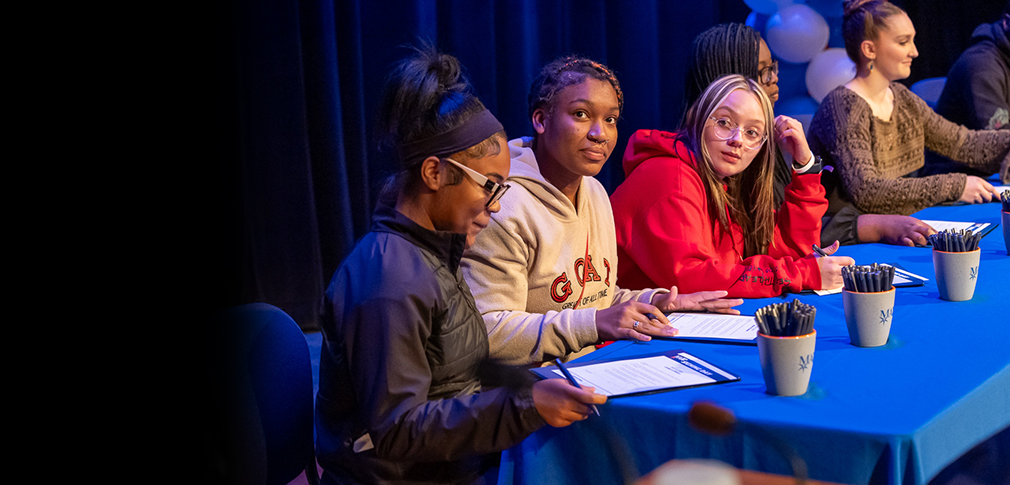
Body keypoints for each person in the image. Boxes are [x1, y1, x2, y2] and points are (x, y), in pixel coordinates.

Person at [315, 46, 603, 485]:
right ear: (434, 174)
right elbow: (397, 429)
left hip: (456, 463)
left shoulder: (434, 254)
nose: (496, 206)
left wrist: (531, 388)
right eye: (490, 187)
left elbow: (460, 372)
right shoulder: (388, 281)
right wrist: (524, 405)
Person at [461, 55, 741, 368]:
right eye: (581, 114)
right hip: (524, 392)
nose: (601, 134)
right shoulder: (504, 206)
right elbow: (488, 332)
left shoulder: (592, 190)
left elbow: (595, 299)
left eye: (611, 119)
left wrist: (659, 301)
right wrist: (593, 324)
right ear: (540, 120)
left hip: (588, 370)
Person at [685, 23, 935, 247]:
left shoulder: (759, 142)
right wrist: (875, 226)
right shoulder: (688, 173)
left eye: (772, 68)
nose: (774, 80)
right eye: (762, 73)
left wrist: (805, 166)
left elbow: (784, 232)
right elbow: (761, 244)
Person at [610, 74, 854, 298]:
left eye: (752, 132)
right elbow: (691, 279)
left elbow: (790, 250)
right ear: (699, 118)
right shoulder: (669, 176)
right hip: (627, 338)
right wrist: (802, 273)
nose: (737, 140)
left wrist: (805, 167)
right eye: (724, 122)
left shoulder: (725, 182)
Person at [807, 0, 1010, 233]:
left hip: (898, 226)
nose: (914, 52)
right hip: (846, 238)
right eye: (903, 42)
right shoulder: (843, 106)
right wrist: (956, 185)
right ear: (869, 49)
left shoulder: (902, 98)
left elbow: (962, 143)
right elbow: (867, 192)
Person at [924, 0, 1010, 176]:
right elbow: (1000, 140)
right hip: (954, 178)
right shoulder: (981, 65)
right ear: (1007, 22)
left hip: (990, 175)